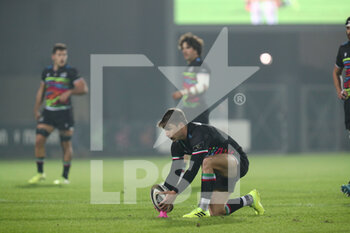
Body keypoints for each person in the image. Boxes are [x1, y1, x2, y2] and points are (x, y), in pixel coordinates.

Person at [157, 108, 264, 217]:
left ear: (180, 125)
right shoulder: (177, 145)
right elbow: (175, 172)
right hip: (217, 171)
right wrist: (164, 194)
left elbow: (193, 168)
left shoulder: (198, 133)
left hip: (237, 162)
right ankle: (249, 199)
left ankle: (202, 208)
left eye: (169, 129)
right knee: (217, 211)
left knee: (207, 161)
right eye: (165, 130)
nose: (166, 134)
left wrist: (175, 193)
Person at [28, 43, 88, 185]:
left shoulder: (70, 72)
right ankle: (40, 173)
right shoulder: (47, 72)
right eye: (60, 55)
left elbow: (84, 89)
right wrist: (36, 109)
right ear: (53, 56)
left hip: (64, 113)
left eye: (64, 55)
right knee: (39, 140)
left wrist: (69, 91)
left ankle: (64, 177)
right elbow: (41, 91)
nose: (62, 58)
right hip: (49, 112)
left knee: (65, 144)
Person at [172, 33, 210, 124]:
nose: (184, 51)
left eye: (188, 48)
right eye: (183, 48)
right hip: (188, 110)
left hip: (198, 111)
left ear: (196, 50)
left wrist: (182, 92)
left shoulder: (201, 66)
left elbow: (202, 86)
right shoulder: (190, 67)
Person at [334, 17, 350, 196]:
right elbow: (336, 71)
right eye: (347, 28)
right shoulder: (343, 49)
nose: (349, 31)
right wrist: (340, 90)